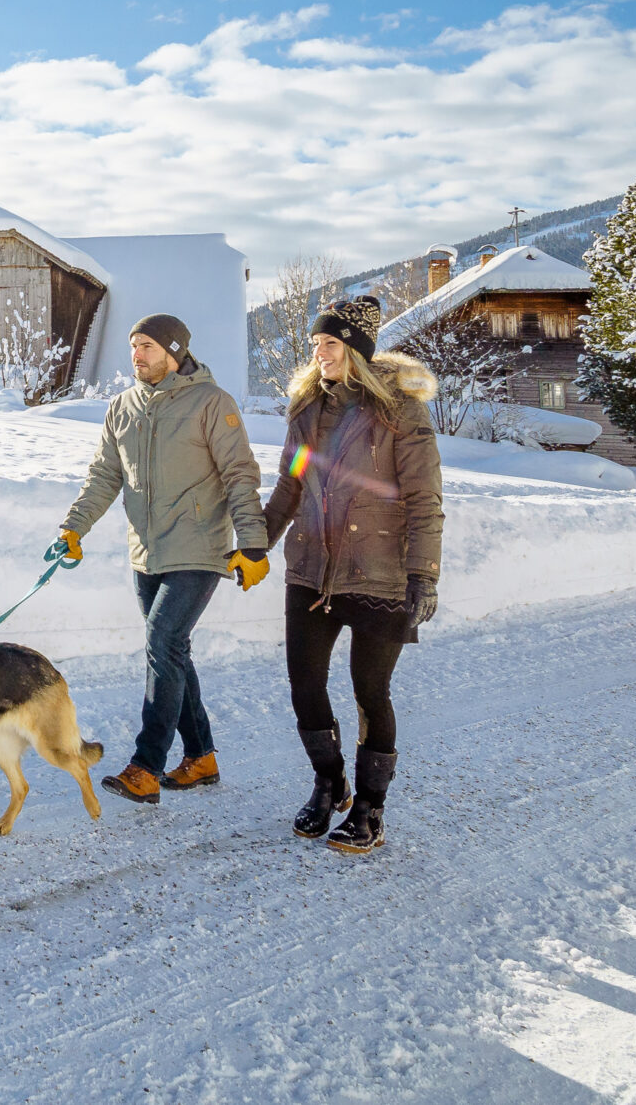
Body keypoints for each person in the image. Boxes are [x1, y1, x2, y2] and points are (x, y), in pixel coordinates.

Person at [241, 295, 442, 855]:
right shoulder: (308, 413)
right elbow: (291, 485)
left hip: (378, 571)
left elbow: (425, 498)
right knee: (304, 686)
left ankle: (372, 812)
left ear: (353, 348)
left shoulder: (399, 411)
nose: (319, 353)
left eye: (330, 343)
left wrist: (422, 574)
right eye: (315, 344)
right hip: (310, 567)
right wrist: (255, 545)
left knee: (369, 691)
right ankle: (330, 783)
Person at [56, 313, 269, 805]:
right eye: (133, 347)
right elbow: (104, 476)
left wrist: (252, 543)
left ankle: (146, 766)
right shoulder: (123, 406)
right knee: (171, 651)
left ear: (174, 351)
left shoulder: (212, 403)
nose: (137, 356)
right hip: (146, 551)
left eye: (147, 346)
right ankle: (201, 757)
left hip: (199, 547)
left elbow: (240, 473)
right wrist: (74, 527)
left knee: (162, 639)